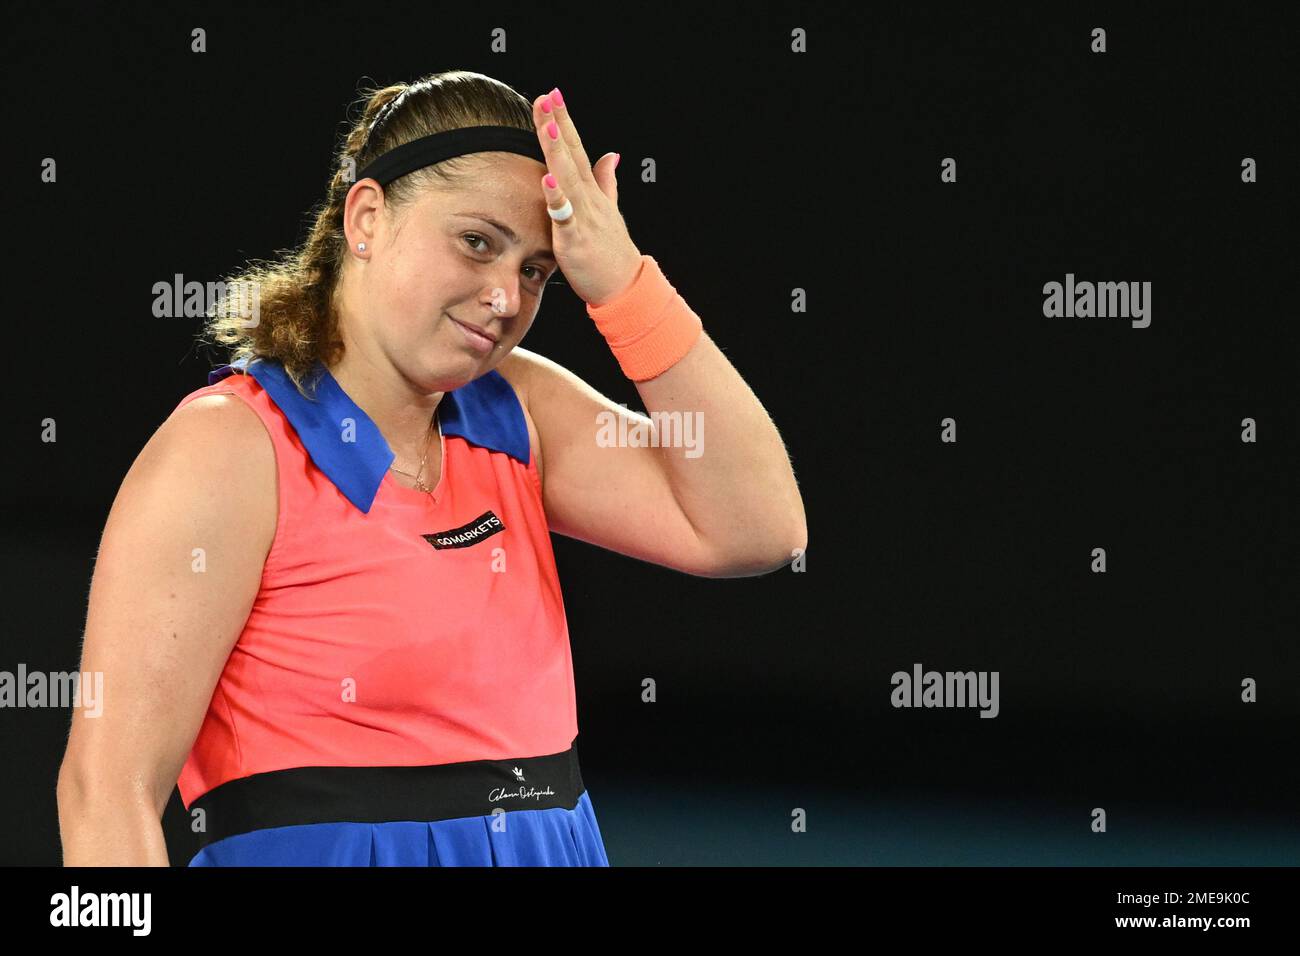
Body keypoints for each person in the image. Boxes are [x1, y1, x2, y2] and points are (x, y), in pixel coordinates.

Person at [56, 70, 807, 866]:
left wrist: (623, 284)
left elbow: (759, 526)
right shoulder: (226, 450)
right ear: (368, 217)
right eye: (477, 242)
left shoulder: (520, 409)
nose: (505, 298)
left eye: (535, 270)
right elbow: (105, 793)